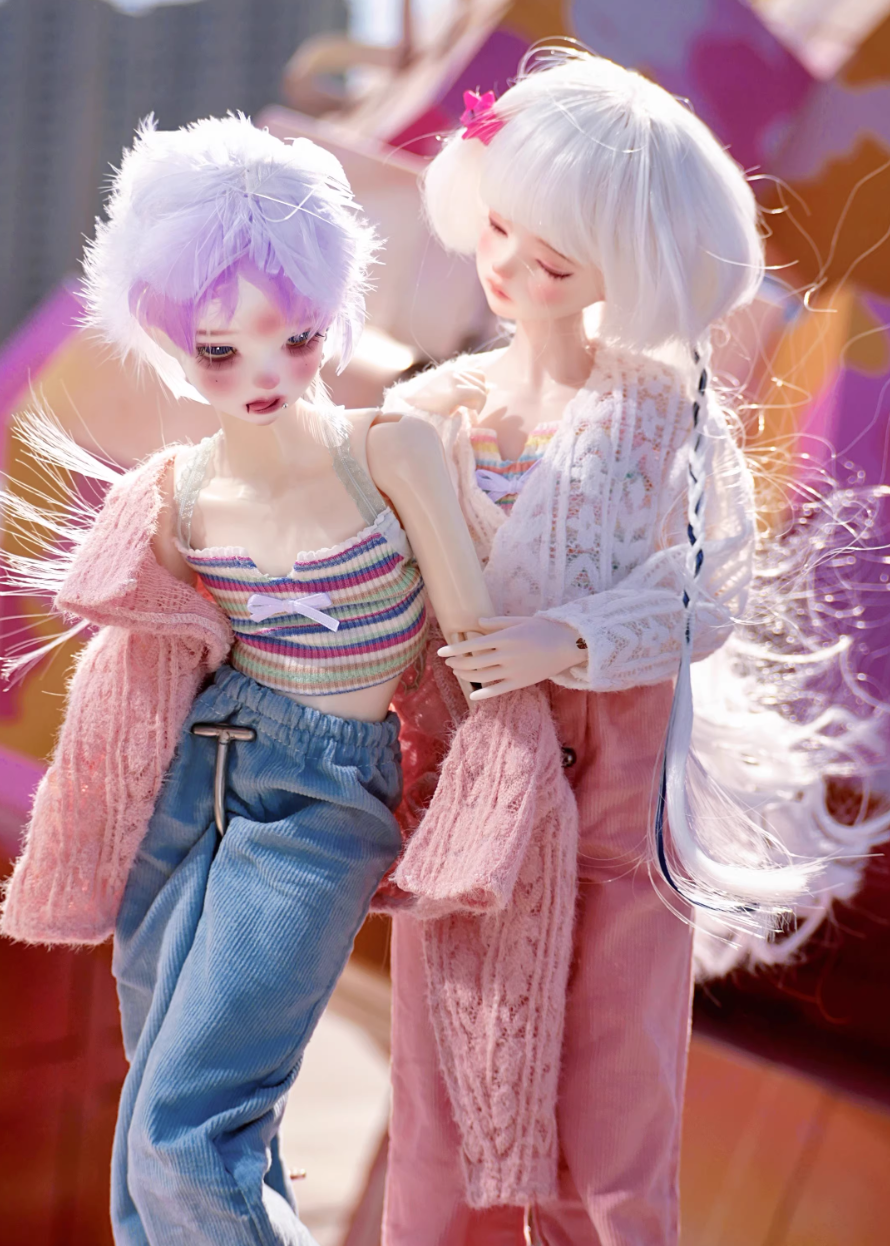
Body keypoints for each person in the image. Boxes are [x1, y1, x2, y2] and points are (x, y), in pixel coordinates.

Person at [378, 49, 888, 1245]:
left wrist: (565, 636)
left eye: (553, 260)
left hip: (615, 789)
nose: (510, 270)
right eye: (499, 232)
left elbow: (706, 594)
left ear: (629, 270)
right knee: (437, 1111)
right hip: (463, 790)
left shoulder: (666, 415)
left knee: (611, 1124)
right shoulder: (426, 413)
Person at [0, 114, 491, 1246]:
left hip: (323, 793)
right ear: (170, 342)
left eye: (294, 337)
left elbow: (475, 643)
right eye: (219, 352)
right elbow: (141, 667)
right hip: (191, 781)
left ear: (333, 309)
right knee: (163, 1122)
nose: (262, 374)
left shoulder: (388, 450)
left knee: (186, 1129)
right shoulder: (177, 493)